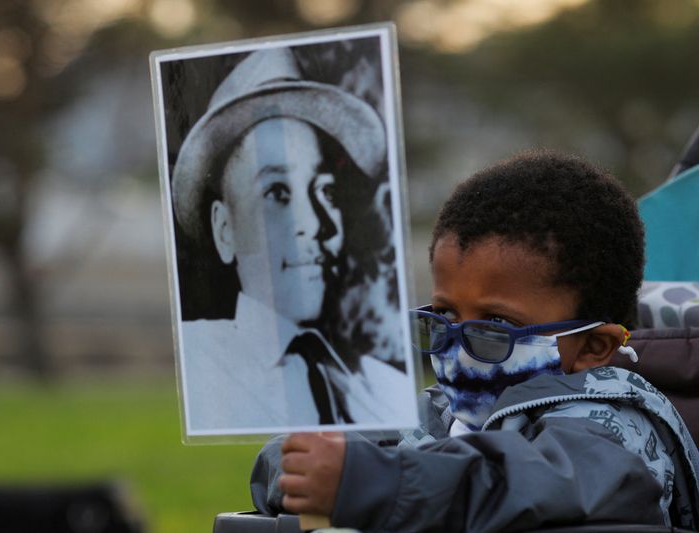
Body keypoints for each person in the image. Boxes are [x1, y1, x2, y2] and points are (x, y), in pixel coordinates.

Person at [250, 150, 699, 530]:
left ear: (592, 348)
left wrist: (373, 483)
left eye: (494, 325)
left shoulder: (614, 430)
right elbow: (344, 446)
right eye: (444, 316)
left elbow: (528, 486)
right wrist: (300, 464)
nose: (458, 350)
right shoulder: (446, 410)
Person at [172, 47, 415, 432]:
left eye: (327, 194)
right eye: (278, 194)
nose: (317, 225)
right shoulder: (194, 364)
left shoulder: (386, 390)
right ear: (224, 229)